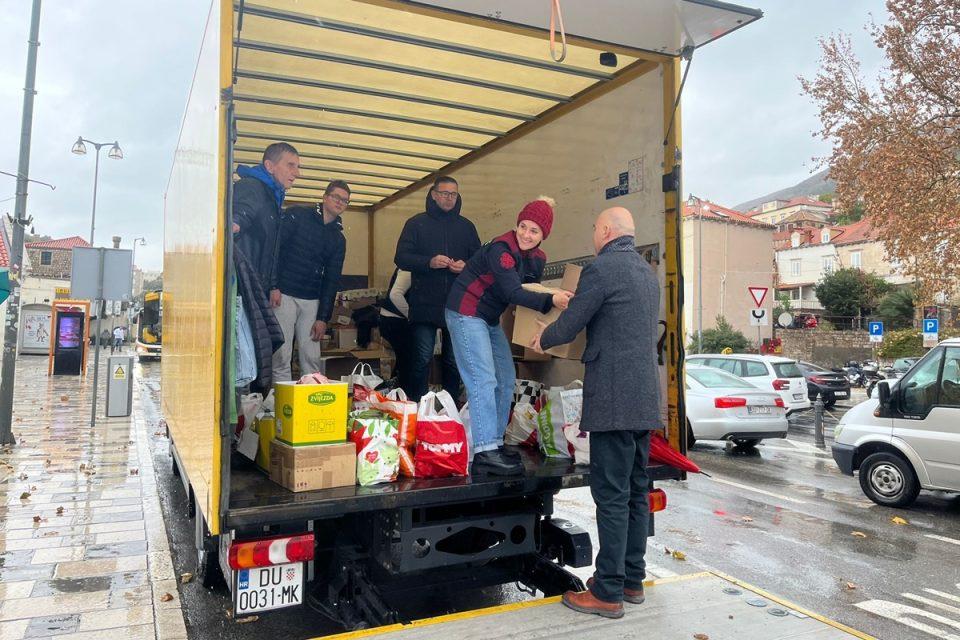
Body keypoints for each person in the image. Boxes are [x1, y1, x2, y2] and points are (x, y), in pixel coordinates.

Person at [531, 207, 661, 619]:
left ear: (605, 231)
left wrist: (542, 338)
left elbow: (571, 324)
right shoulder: (645, 272)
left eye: (593, 227)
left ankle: (606, 592)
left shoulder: (602, 269)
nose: (593, 234)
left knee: (611, 496)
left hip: (613, 399)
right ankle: (630, 580)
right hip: (643, 400)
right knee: (636, 491)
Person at [445, 197, 571, 475]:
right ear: (516, 225)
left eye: (534, 231)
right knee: (482, 378)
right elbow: (514, 294)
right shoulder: (501, 249)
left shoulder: (538, 258)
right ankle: (484, 450)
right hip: (466, 312)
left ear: (543, 235)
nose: (526, 234)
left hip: (488, 318)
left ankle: (495, 443)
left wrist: (545, 323)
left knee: (505, 378)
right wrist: (553, 299)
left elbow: (531, 289)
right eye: (523, 226)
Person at [395, 176, 480, 401]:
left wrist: (467, 266)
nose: (449, 198)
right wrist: (428, 262)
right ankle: (417, 407)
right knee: (422, 358)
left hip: (457, 304)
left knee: (454, 360)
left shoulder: (467, 227)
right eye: (444, 193)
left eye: (453, 194)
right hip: (424, 304)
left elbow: (480, 263)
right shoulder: (416, 223)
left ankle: (449, 408)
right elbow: (401, 258)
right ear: (433, 194)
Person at [271, 181, 349, 382]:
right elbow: (275, 249)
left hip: (312, 300)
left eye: (345, 201)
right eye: (336, 197)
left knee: (311, 356)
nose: (340, 202)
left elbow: (332, 280)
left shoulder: (338, 239)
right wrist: (273, 286)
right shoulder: (297, 215)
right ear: (325, 197)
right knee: (281, 353)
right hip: (284, 293)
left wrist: (323, 317)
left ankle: (311, 401)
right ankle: (278, 402)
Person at [233, 142, 300, 297]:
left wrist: (272, 286)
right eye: (291, 165)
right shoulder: (252, 187)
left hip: (253, 288)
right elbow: (241, 213)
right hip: (243, 289)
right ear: (269, 166)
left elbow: (271, 248)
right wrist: (236, 221)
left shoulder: (271, 196)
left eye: (297, 167)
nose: (297, 173)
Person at [379, 269, 413, 393]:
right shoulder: (408, 268)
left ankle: (394, 392)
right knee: (405, 361)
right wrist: (411, 315)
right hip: (394, 320)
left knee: (403, 361)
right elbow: (395, 295)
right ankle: (398, 393)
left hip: (392, 318)